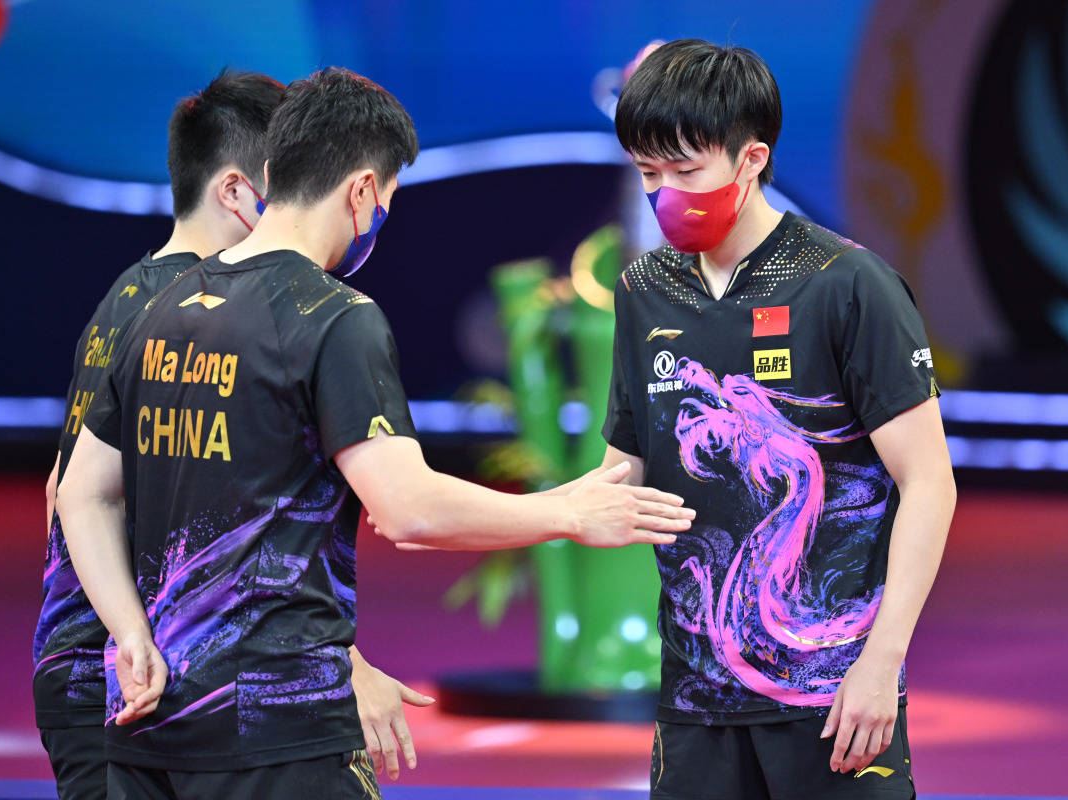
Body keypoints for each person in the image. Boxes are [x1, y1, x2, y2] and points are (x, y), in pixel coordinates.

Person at [56, 67, 694, 799]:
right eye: (386, 198)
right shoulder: (334, 318)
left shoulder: (155, 308)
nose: (380, 217)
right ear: (361, 191)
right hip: (280, 730)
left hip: (149, 726)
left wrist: (130, 634)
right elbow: (407, 509)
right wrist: (569, 513)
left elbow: (81, 493)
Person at [34, 70, 429, 799]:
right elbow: (190, 509)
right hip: (140, 680)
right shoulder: (194, 309)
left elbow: (72, 486)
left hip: (125, 670)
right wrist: (343, 665)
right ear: (245, 186)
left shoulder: (137, 296)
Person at [597, 40, 954, 799]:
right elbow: (625, 468)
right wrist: (491, 516)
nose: (663, 194)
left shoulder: (847, 284)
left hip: (835, 699)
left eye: (685, 171)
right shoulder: (642, 289)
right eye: (648, 173)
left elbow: (929, 482)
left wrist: (881, 662)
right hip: (695, 699)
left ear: (752, 158)